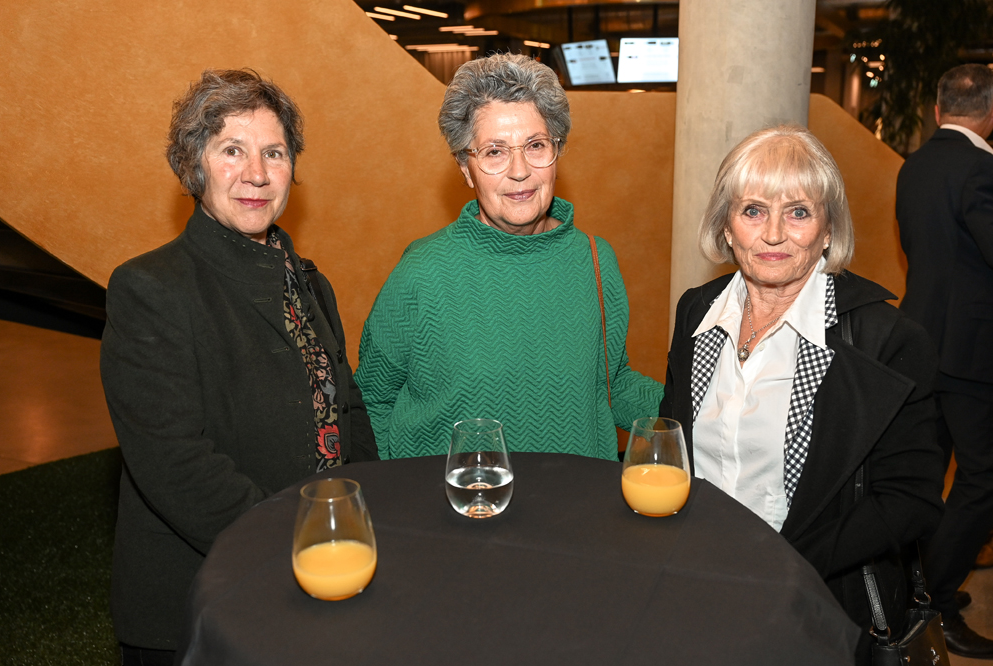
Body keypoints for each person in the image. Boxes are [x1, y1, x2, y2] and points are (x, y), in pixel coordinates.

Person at [100, 69, 377, 663]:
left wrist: (365, 512)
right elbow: (173, 460)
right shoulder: (150, 287)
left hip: (322, 570)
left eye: (274, 153)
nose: (256, 174)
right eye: (232, 150)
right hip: (205, 594)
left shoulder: (309, 282)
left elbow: (347, 408)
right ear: (193, 165)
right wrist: (298, 536)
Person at [659, 125, 944, 663]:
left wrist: (780, 562)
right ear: (726, 226)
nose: (773, 234)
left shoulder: (886, 341)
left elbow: (911, 501)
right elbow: (675, 444)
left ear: (828, 229)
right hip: (697, 581)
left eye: (798, 212)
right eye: (752, 210)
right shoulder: (696, 311)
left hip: (816, 602)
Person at [355, 53, 663, 459]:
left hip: (577, 494)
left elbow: (611, 383)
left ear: (556, 153)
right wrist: (399, 490)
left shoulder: (594, 258)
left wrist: (704, 405)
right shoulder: (422, 272)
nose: (520, 171)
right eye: (494, 152)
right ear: (465, 168)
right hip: (453, 495)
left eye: (535, 146)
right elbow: (370, 402)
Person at [896, 63, 993, 658]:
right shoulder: (980, 168)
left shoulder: (914, 165)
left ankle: (913, 591)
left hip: (920, 339)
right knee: (983, 477)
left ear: (937, 110)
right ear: (989, 114)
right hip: (971, 348)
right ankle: (935, 600)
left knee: (925, 474)